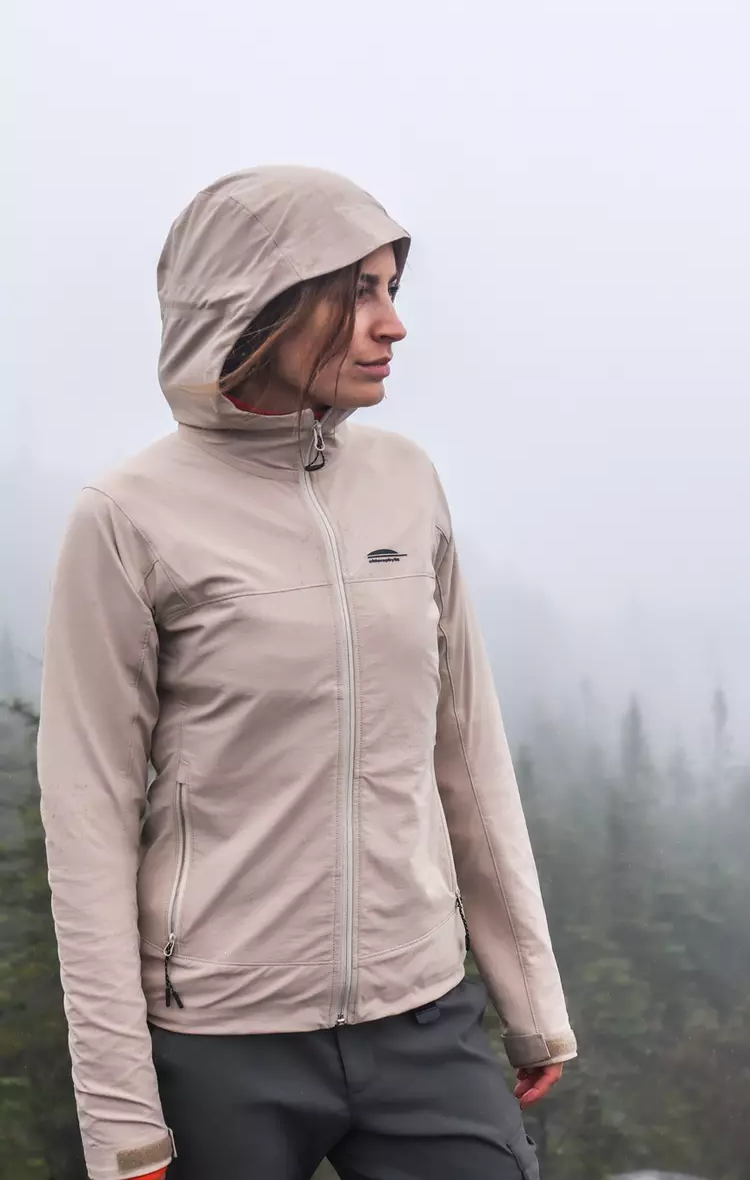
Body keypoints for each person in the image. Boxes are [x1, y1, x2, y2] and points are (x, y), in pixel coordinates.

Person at [37, 165, 575, 1180]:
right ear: (260, 300)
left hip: (423, 1015)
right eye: (358, 292)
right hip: (221, 1039)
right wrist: (121, 1118)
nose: (392, 325)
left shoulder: (406, 481)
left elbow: (466, 752)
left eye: (392, 290)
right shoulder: (128, 518)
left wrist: (531, 1001)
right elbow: (88, 820)